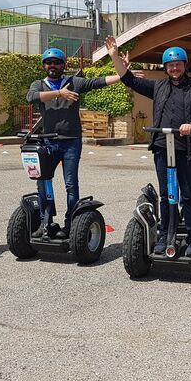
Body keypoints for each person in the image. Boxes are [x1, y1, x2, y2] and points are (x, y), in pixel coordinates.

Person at [106, 36, 191, 257]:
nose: (174, 68)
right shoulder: (158, 87)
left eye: (178, 64)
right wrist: (114, 57)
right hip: (163, 146)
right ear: (165, 68)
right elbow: (128, 79)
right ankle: (165, 234)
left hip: (188, 148)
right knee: (166, 194)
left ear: (184, 65)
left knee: (187, 194)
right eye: (170, 65)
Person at [26, 47, 121, 238]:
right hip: (49, 142)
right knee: (43, 182)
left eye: (57, 62)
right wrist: (59, 93)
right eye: (49, 62)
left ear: (64, 65)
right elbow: (32, 97)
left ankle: (71, 224)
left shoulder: (73, 82)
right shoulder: (39, 84)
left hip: (71, 142)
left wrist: (123, 76)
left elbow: (98, 82)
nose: (52, 66)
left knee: (71, 184)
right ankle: (46, 223)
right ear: (44, 65)